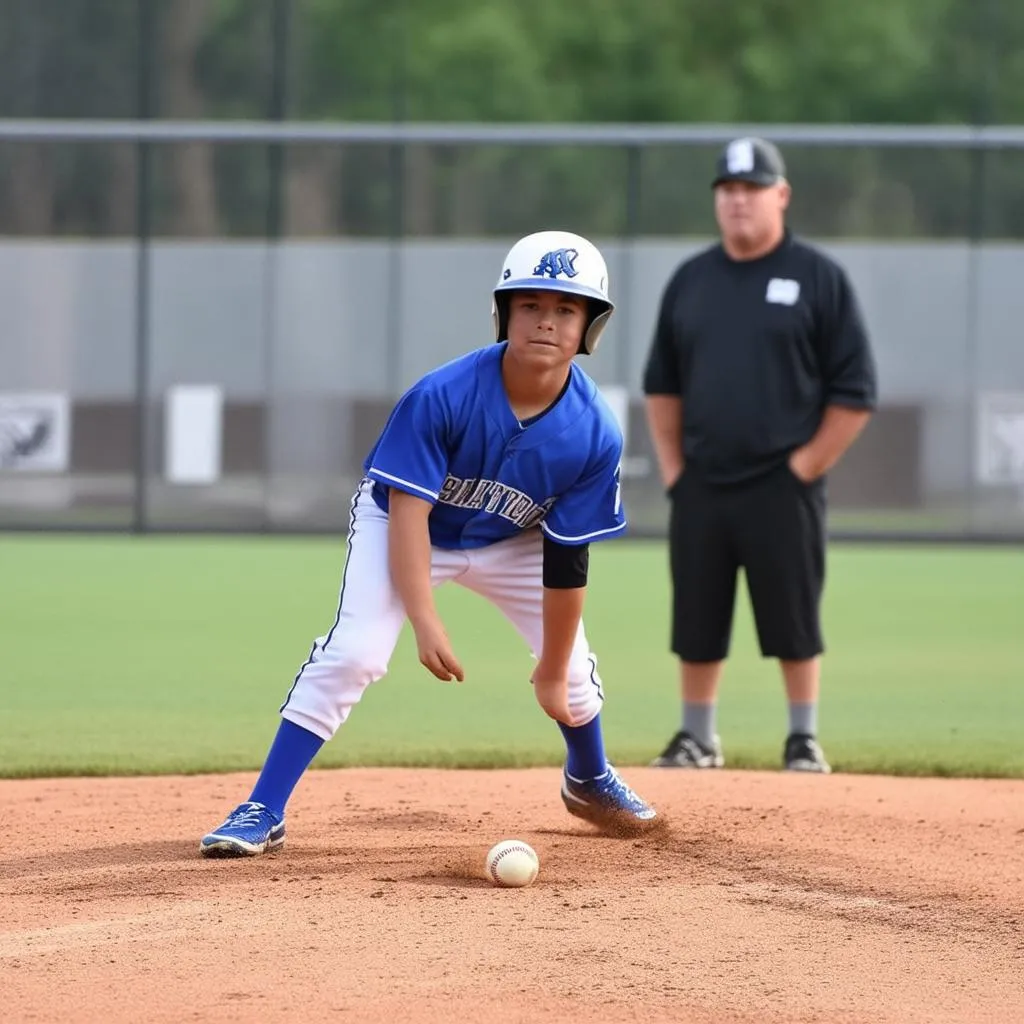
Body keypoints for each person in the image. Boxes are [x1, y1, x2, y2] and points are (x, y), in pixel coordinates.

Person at [200, 230, 658, 857]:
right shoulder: (441, 395)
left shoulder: (595, 431)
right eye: (531, 305)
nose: (546, 322)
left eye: (565, 309)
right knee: (356, 653)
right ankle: (263, 806)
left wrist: (551, 668)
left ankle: (589, 778)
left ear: (588, 327)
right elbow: (410, 514)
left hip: (514, 543)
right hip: (404, 526)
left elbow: (567, 558)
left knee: (574, 677)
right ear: (504, 312)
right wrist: (424, 618)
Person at [642, 137, 878, 774]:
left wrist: (804, 467)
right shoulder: (692, 280)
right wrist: (674, 471)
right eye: (727, 190)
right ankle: (698, 737)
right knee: (696, 613)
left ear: (781, 195)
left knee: (793, 615)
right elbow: (662, 385)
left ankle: (803, 737)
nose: (737, 201)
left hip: (783, 482)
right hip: (702, 480)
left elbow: (854, 392)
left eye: (751, 189)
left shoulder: (817, 278)